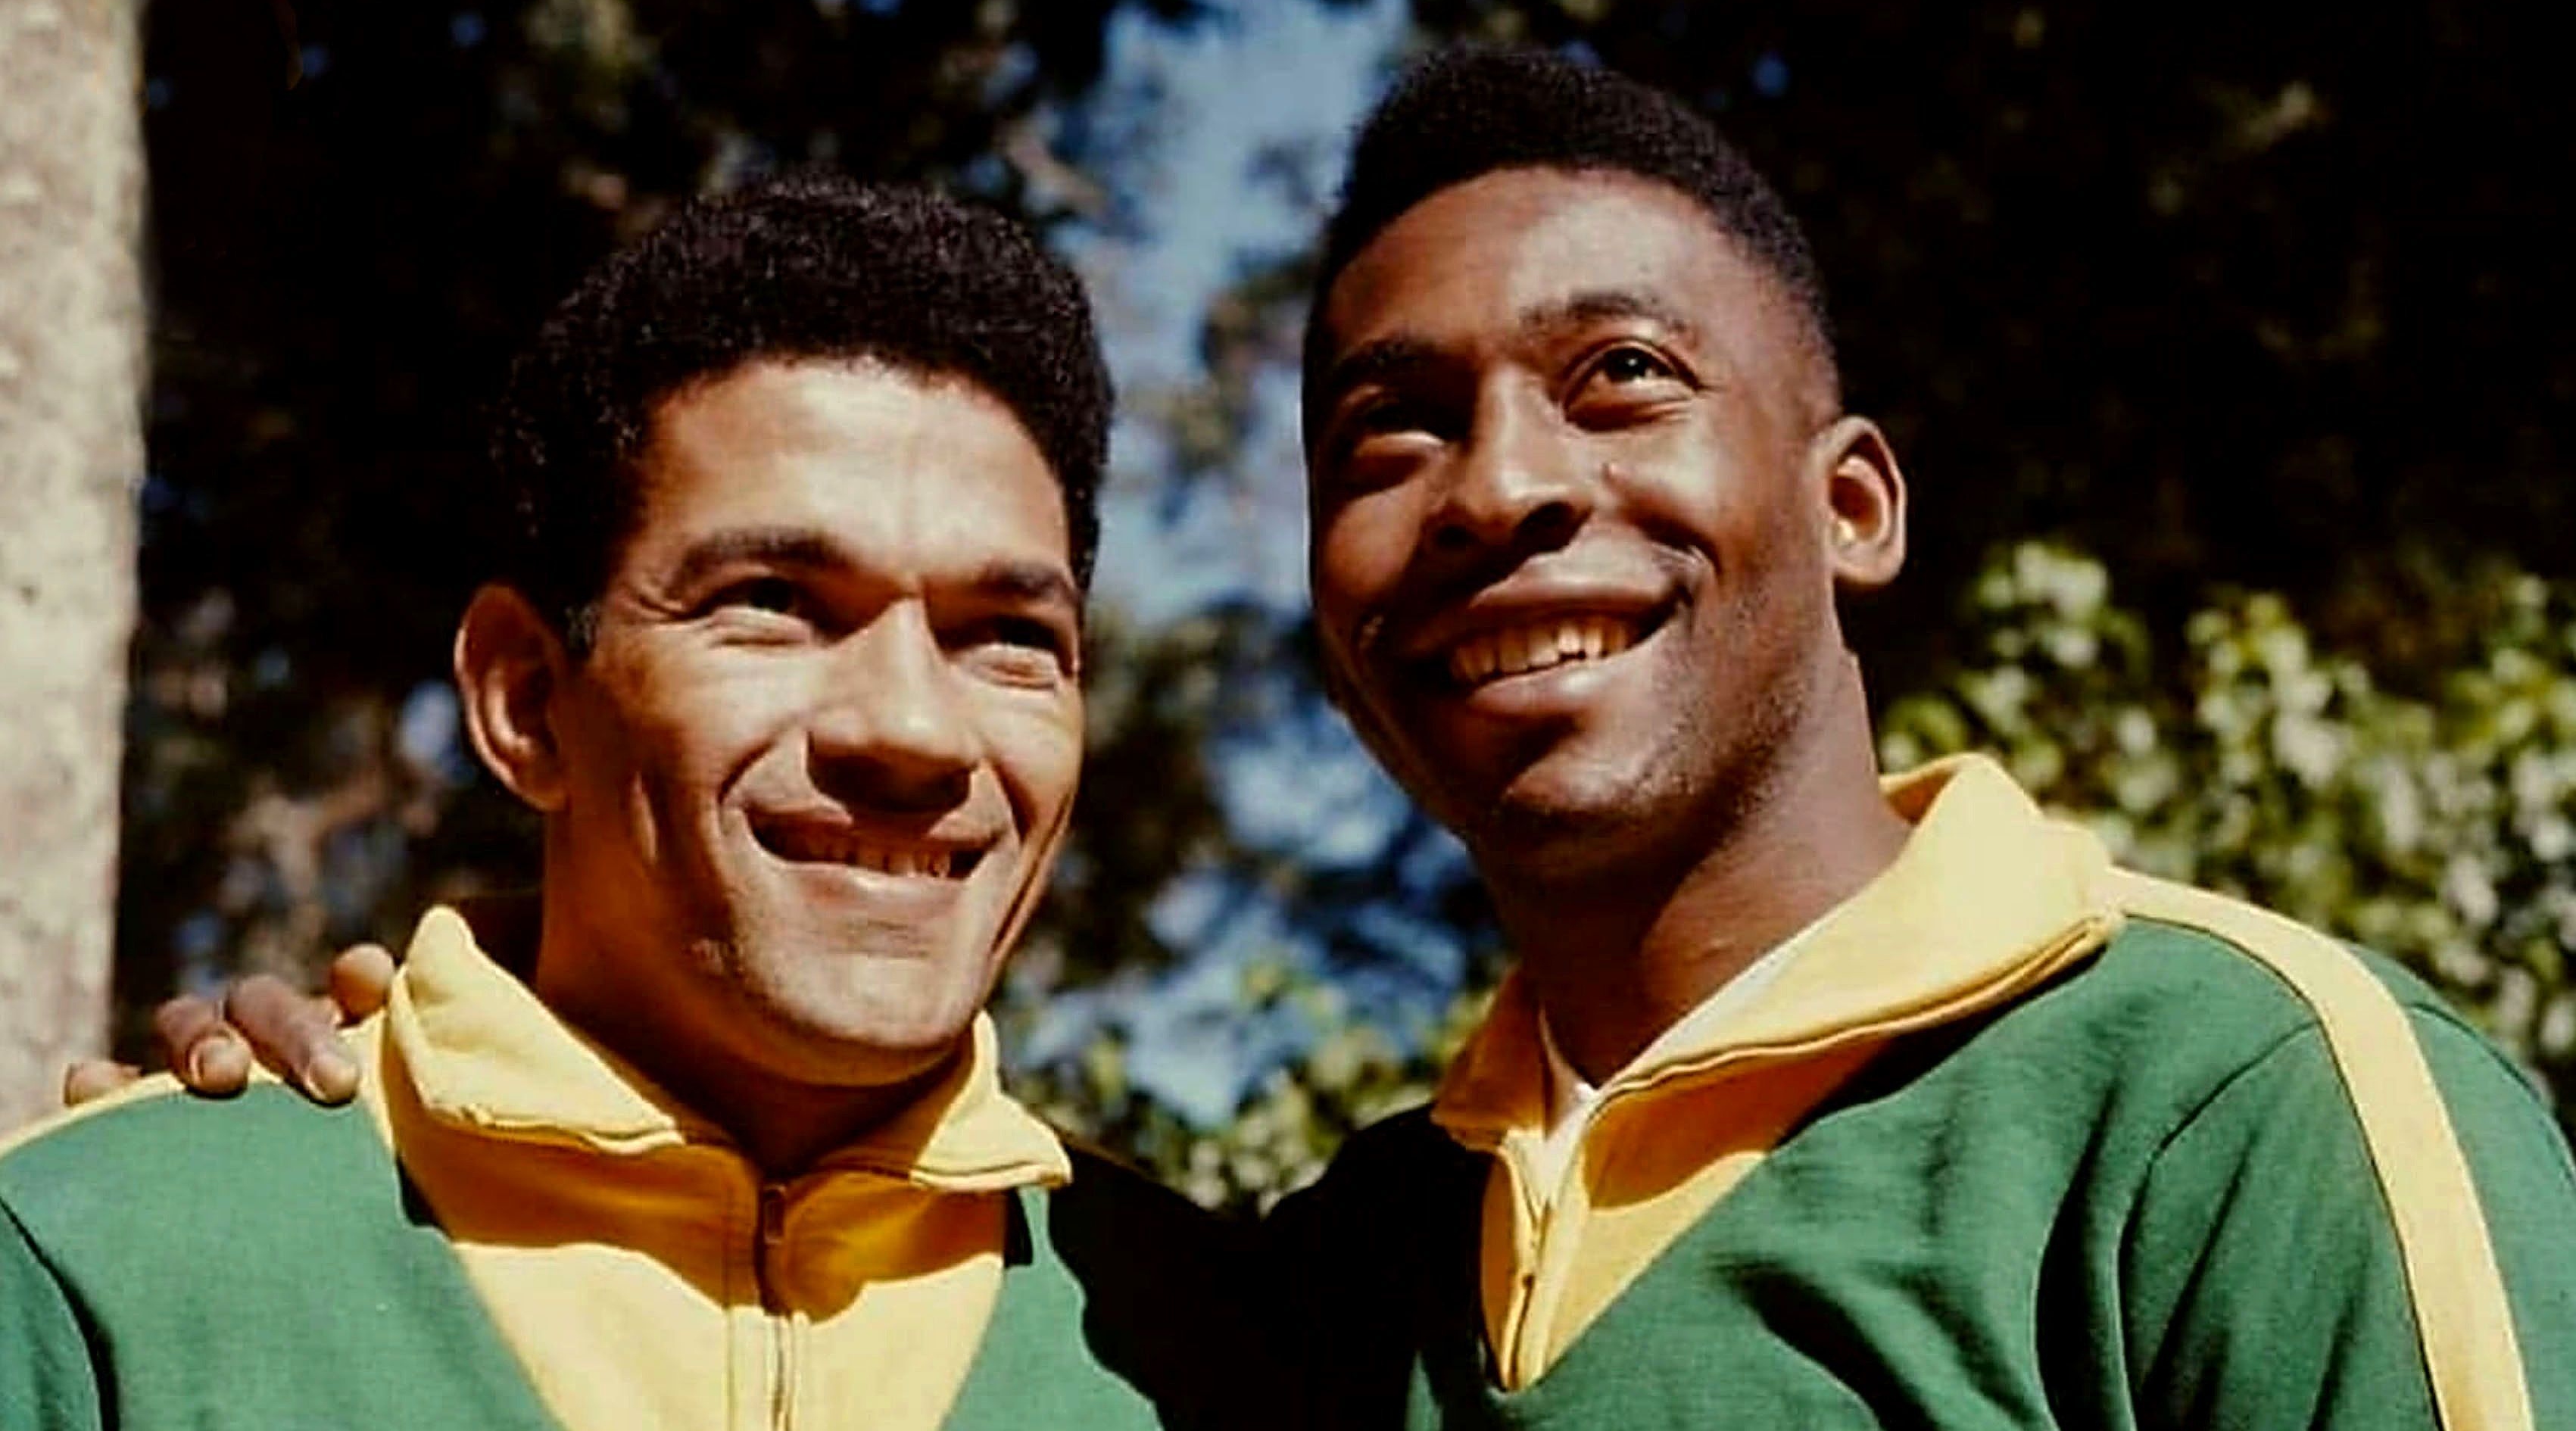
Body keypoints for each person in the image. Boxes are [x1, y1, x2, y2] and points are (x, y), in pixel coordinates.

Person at [97, 46, 2576, 1431]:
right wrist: (343, 1115)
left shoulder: (2231, 1107)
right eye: (1384, 434)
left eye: (1620, 379)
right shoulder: (1266, 1320)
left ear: (1851, 501)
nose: (1499, 488)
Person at [3, 173, 1237, 1430]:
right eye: (773, 602)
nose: (912, 730)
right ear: (527, 699)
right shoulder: (101, 1272)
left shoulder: (1214, 1349)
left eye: (1008, 635)